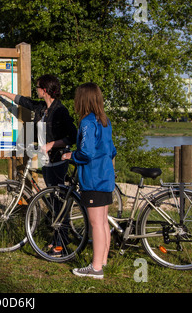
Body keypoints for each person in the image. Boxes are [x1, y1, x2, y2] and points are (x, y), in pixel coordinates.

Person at [62, 82, 117, 279]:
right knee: (102, 222)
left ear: (82, 99)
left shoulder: (87, 122)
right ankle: (101, 260)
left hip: (93, 179)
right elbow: (112, 151)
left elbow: (86, 153)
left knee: (95, 223)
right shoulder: (104, 121)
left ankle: (95, 268)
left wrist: (70, 157)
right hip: (105, 177)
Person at [0, 74, 77, 188]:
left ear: (44, 90)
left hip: (57, 160)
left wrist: (51, 145)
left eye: (37, 87)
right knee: (52, 196)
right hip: (45, 159)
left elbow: (73, 136)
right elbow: (22, 101)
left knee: (57, 197)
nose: (36, 90)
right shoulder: (41, 107)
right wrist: (2, 93)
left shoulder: (60, 111)